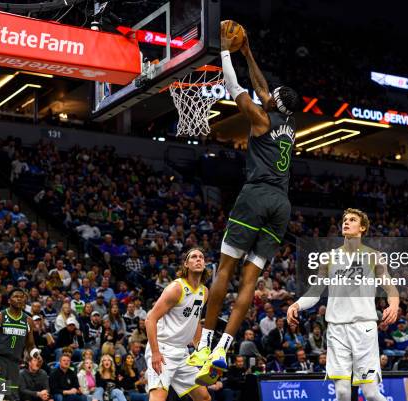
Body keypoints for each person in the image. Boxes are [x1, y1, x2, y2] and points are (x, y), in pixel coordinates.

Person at [189, 25, 302, 385]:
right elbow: (264, 87)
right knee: (249, 282)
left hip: (256, 196)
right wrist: (248, 51)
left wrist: (226, 51)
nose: (266, 93)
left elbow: (236, 88)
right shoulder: (288, 121)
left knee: (224, 270)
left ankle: (205, 344)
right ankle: (225, 346)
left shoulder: (262, 118)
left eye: (270, 94)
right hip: (281, 206)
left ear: (272, 103)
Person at [287, 208, 399, 401]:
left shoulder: (374, 256)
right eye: (345, 219)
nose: (346, 222)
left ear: (362, 227)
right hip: (337, 330)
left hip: (364, 329)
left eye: (352, 220)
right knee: (342, 392)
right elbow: (315, 292)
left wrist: (394, 305)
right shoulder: (328, 258)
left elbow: (390, 288)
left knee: (371, 394)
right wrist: (296, 305)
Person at [144, 248, 211, 401]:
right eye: (194, 257)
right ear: (186, 264)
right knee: (158, 398)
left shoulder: (204, 292)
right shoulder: (176, 288)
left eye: (201, 257)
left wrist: (201, 351)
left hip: (182, 352)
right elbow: (150, 319)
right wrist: (155, 352)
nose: (198, 259)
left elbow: (194, 322)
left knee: (204, 397)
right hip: (163, 350)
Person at [0, 288, 36, 401]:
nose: (19, 299)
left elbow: (30, 344)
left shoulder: (28, 320)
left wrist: (35, 354)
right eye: (16, 296)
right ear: (9, 301)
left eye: (22, 296)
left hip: (15, 363)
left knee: (11, 397)